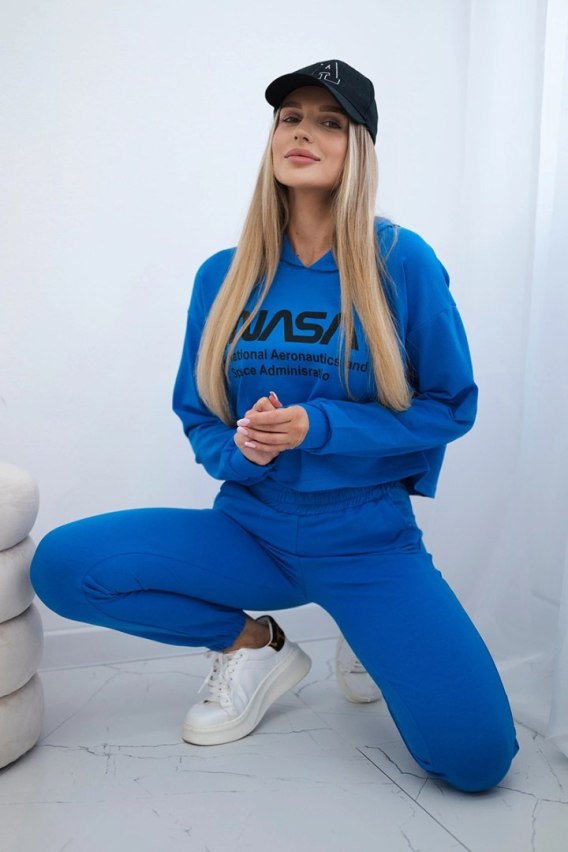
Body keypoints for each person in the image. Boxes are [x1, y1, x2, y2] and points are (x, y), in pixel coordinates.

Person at [30, 58, 519, 792]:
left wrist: (318, 427)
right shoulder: (223, 275)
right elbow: (198, 414)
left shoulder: (400, 261)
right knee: (65, 567)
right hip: (250, 528)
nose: (302, 133)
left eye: (329, 122)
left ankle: (367, 631)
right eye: (290, 118)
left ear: (359, 148)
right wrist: (243, 449)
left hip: (366, 540)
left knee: (477, 762)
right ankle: (255, 645)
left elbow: (452, 405)